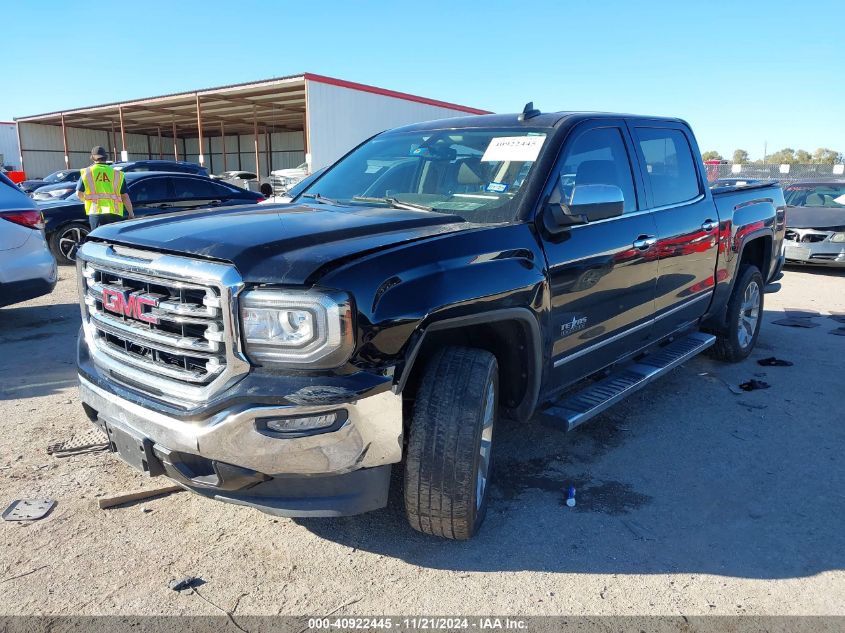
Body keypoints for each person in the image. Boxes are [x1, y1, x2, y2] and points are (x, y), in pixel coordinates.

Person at [75, 146, 134, 231]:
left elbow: (78, 193)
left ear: (92, 158)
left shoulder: (87, 172)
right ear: (105, 157)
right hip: (114, 213)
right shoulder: (117, 174)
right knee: (113, 239)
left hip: (95, 212)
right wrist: (131, 213)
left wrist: (87, 201)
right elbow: (125, 196)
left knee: (98, 240)